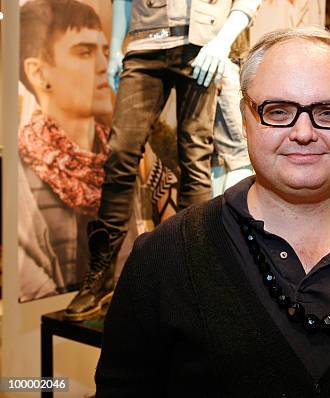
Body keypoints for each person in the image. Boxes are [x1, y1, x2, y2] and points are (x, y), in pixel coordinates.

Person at [95, 27, 330, 397]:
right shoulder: (164, 257)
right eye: (278, 110)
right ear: (246, 118)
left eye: (328, 112)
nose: (303, 133)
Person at [64, 0, 262, 320]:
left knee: (195, 157)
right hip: (145, 42)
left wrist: (223, 40)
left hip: (202, 42)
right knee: (120, 153)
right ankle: (101, 276)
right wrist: (117, 46)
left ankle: (191, 276)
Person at [18, 0, 138, 300]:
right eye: (85, 52)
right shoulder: (19, 180)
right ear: (38, 73)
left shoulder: (121, 163)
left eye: (106, 52)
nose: (103, 66)